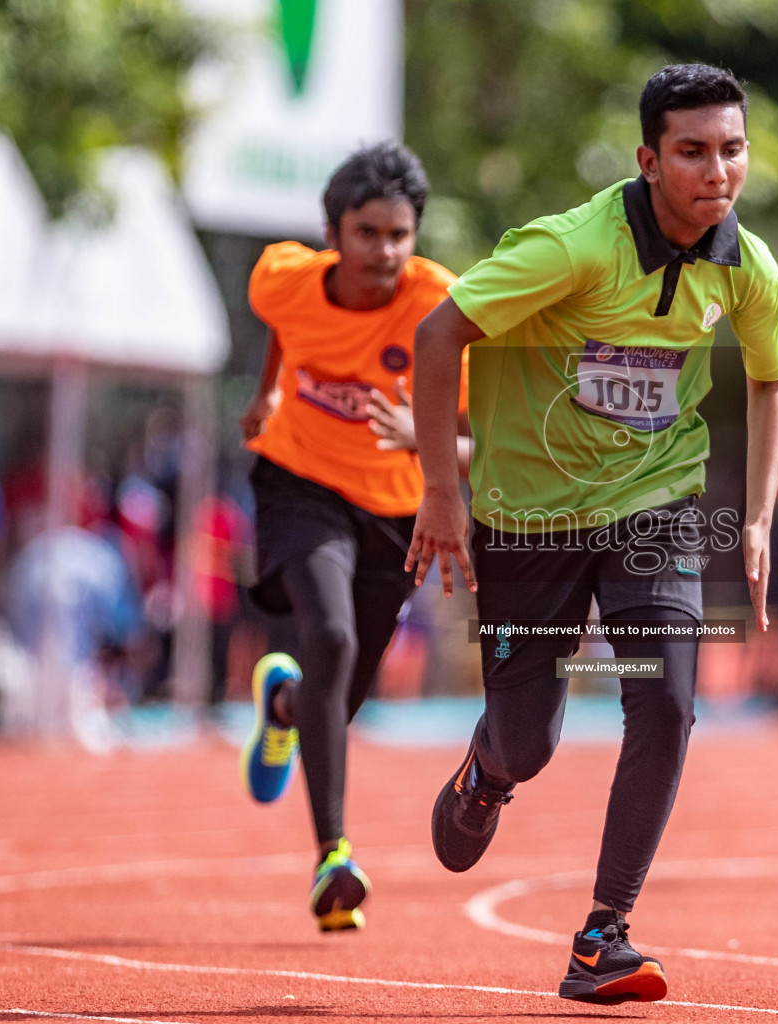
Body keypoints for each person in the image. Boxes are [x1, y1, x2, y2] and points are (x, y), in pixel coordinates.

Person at [406, 64, 778, 1005]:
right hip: (528, 515)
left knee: (666, 698)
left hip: (654, 502)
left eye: (732, 149)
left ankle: (603, 935)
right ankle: (486, 773)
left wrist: (758, 514)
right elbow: (435, 336)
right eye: (693, 151)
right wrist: (440, 497)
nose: (717, 171)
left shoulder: (746, 267)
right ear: (649, 160)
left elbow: (774, 380)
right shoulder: (571, 248)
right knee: (528, 741)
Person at [236, 142, 467, 932]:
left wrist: (423, 434)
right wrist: (269, 394)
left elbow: (493, 431)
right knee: (327, 636)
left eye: (400, 234)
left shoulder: (441, 301)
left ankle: (287, 702)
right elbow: (280, 320)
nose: (385, 252)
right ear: (334, 230)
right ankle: (332, 855)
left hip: (395, 511)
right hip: (299, 482)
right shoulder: (283, 276)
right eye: (367, 233)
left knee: (344, 692)